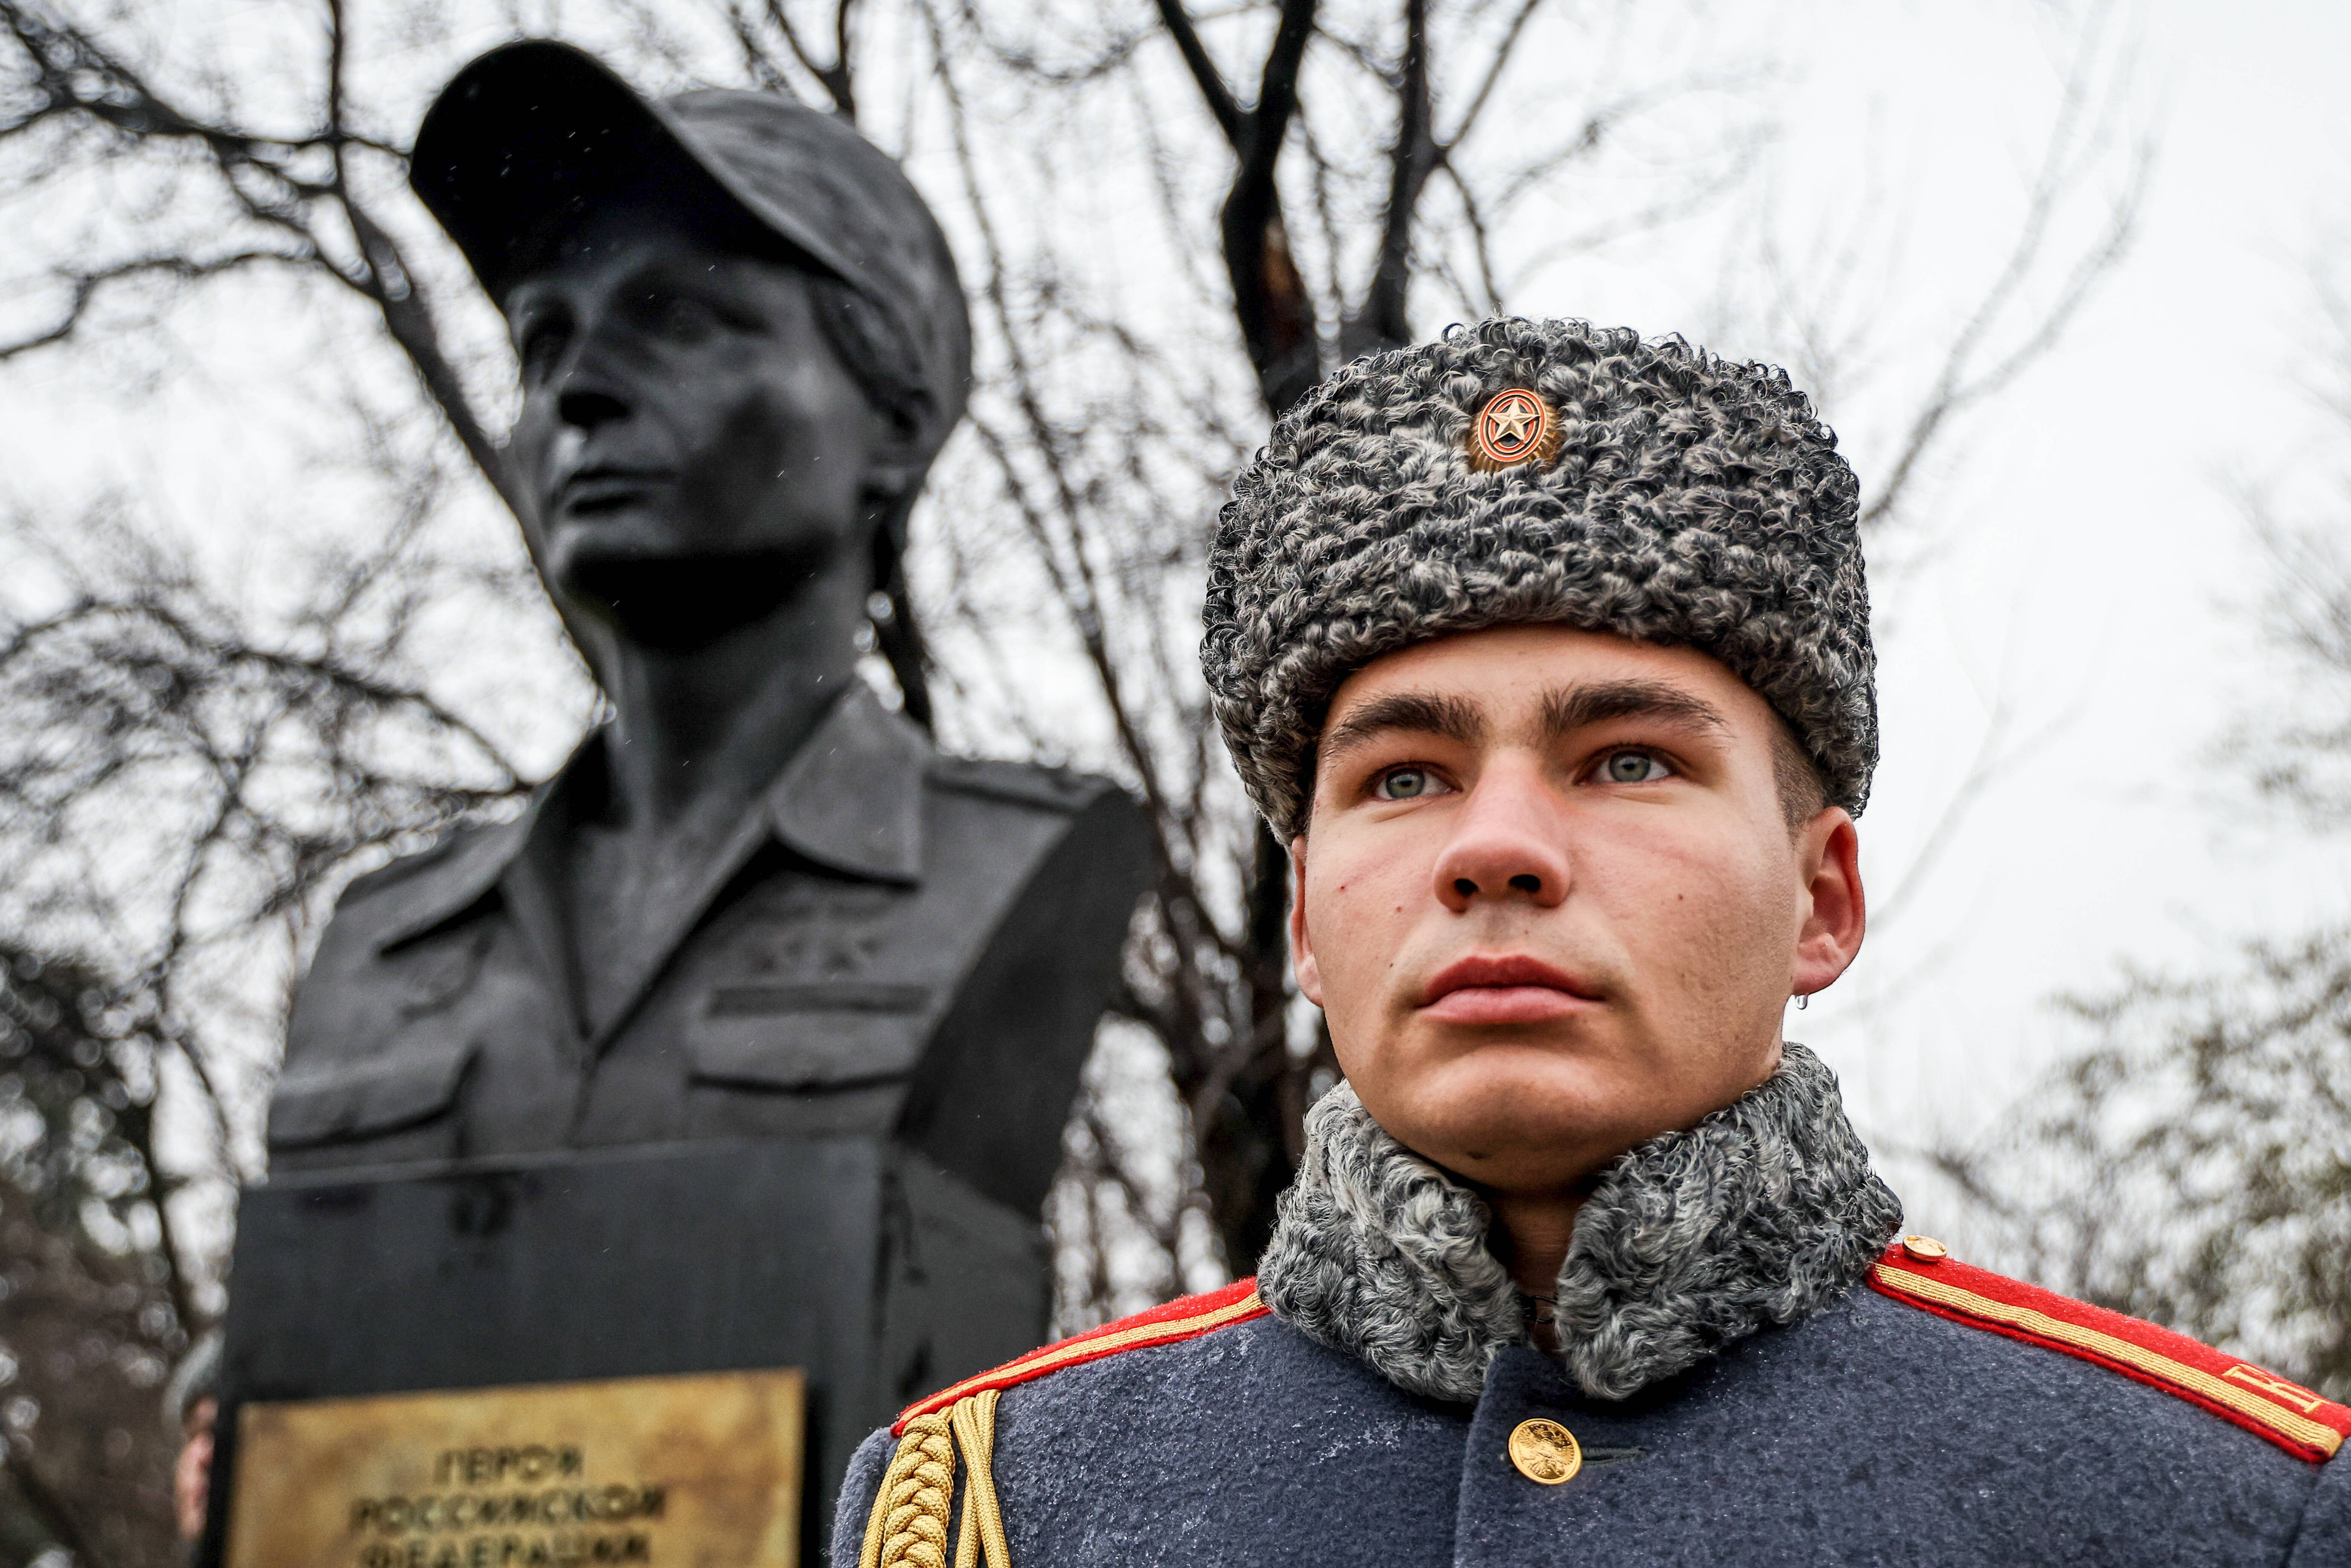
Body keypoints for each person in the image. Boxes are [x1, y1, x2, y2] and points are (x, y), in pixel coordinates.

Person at [833, 318, 2350, 1566]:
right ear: (1305, 921)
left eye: (1628, 760)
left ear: (1824, 899)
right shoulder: (1003, 1508)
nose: (1495, 846)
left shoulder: (2217, 1510)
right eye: (1404, 778)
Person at [232, 40, 1149, 1530]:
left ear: (891, 423)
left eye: (678, 320)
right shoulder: (378, 943)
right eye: (544, 342)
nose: (580, 390)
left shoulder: (1019, 867)